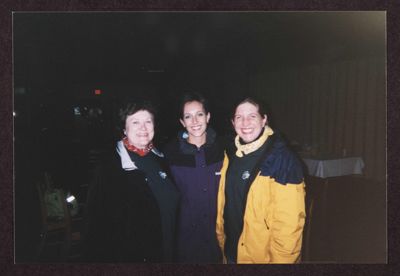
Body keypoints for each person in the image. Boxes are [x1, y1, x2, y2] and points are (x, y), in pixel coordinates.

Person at [83, 100, 179, 262]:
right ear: (124, 129)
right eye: (135, 122)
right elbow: (93, 226)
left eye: (148, 121)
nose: (143, 128)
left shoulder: (160, 159)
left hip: (166, 253)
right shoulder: (110, 167)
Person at [216, 97, 306, 264]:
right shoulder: (230, 153)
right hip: (230, 252)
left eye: (252, 116)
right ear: (233, 122)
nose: (245, 122)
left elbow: (289, 227)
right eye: (239, 117)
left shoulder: (283, 160)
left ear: (264, 119)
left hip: (262, 258)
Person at [164, 93, 224, 263]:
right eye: (188, 117)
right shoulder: (170, 153)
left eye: (199, 114)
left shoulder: (224, 149)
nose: (195, 121)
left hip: (217, 240)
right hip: (184, 242)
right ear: (182, 122)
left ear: (208, 116)